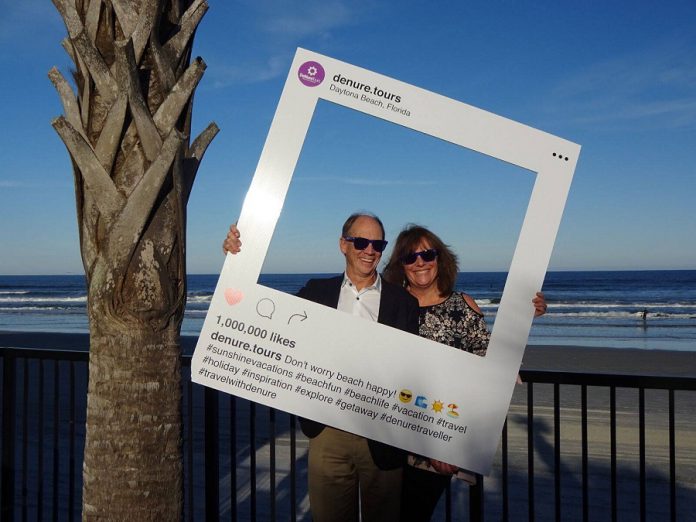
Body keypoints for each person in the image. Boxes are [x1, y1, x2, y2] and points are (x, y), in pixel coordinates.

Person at [223, 214, 420, 522]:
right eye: (361, 242)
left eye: (378, 243)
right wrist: (237, 262)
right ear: (344, 244)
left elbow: (416, 366)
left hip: (383, 435)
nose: (370, 250)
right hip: (328, 432)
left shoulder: (402, 302)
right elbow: (266, 315)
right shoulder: (316, 292)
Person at [382, 224, 547, 521]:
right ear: (401, 265)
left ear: (440, 258)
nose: (420, 262)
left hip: (438, 438)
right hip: (386, 436)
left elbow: (488, 371)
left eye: (427, 254)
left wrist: (523, 317)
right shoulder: (387, 307)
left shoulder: (464, 305)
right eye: (410, 257)